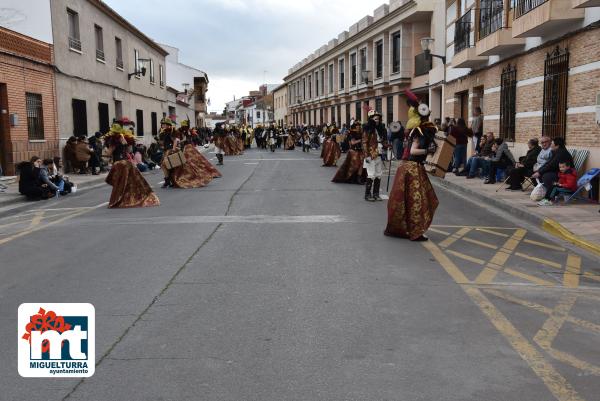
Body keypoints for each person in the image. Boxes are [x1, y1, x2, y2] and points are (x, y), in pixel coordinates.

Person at [385, 103, 439, 241]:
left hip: (414, 167)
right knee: (417, 201)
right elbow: (414, 151)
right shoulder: (419, 131)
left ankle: (412, 228)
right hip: (412, 169)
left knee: (416, 200)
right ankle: (416, 231)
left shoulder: (422, 130)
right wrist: (428, 151)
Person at [362, 109, 388, 202]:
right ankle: (367, 194)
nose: (377, 121)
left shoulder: (381, 129)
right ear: (371, 119)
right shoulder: (367, 129)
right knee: (371, 174)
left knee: (378, 175)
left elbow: (383, 141)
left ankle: (376, 194)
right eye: (375, 119)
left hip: (379, 155)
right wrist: (366, 156)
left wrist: (387, 145)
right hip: (371, 155)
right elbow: (364, 143)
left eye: (378, 119)